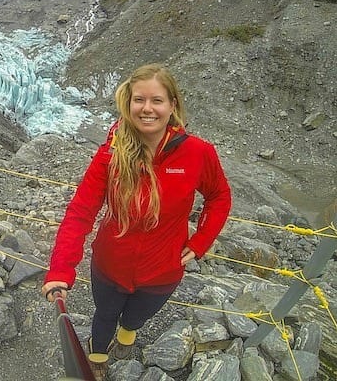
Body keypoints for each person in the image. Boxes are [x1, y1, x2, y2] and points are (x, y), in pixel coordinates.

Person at [41, 63, 232, 380]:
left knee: (135, 318)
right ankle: (98, 355)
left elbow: (220, 196)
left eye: (156, 100)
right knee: (104, 315)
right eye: (139, 100)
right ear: (128, 105)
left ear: (172, 105)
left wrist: (201, 241)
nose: (147, 108)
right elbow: (80, 212)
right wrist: (61, 268)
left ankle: (127, 335)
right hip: (109, 265)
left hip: (163, 271)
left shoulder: (198, 153)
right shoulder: (110, 154)